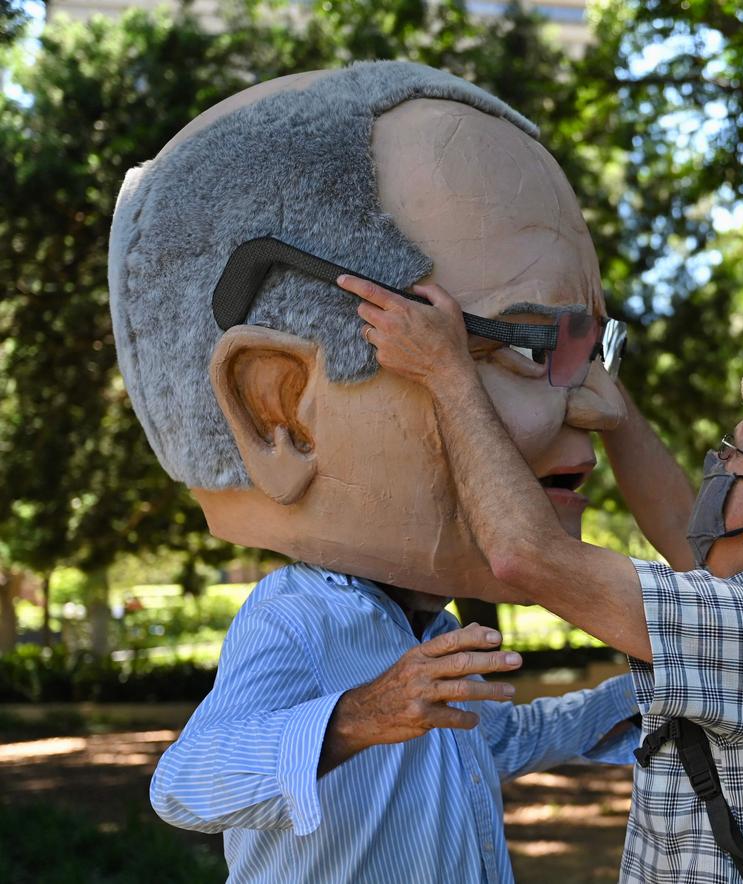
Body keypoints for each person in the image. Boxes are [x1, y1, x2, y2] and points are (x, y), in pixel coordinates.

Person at [109, 62, 639, 881]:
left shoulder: (423, 634)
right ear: (280, 409)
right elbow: (184, 784)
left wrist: (660, 677)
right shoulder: (301, 617)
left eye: (590, 347)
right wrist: (360, 715)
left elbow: (497, 742)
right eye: (535, 347)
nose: (604, 406)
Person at [346, 268, 743, 883]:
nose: (714, 463)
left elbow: (527, 554)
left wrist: (446, 371)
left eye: (732, 452)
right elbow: (674, 521)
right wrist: (615, 402)